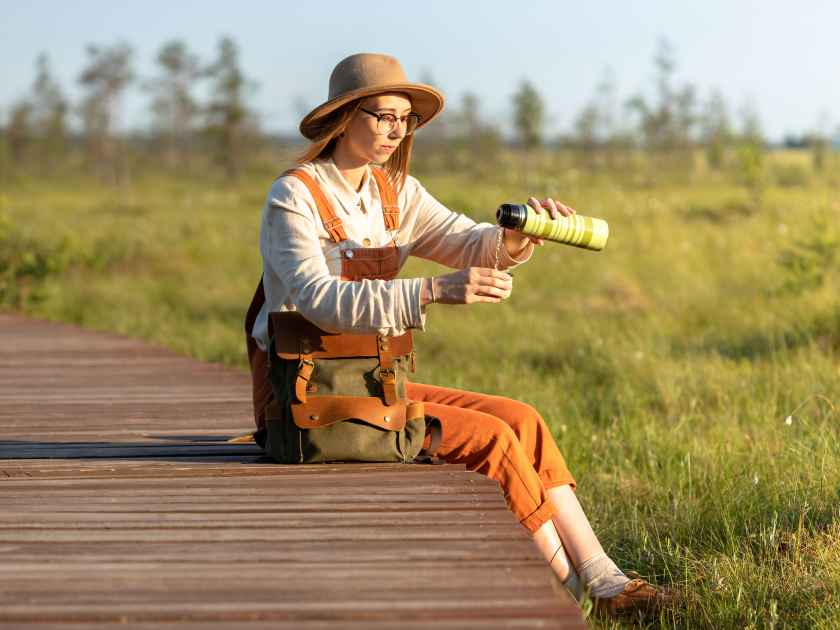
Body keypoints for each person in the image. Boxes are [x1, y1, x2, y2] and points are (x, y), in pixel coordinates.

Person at [247, 52, 674, 618]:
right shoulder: (293, 197)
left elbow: (467, 242)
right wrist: (431, 291)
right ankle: (576, 599)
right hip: (305, 400)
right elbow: (319, 302)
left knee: (521, 419)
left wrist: (517, 238)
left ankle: (607, 578)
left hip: (371, 386)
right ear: (344, 116)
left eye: (406, 120)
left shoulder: (395, 193)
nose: (396, 131)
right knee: (493, 441)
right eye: (383, 116)